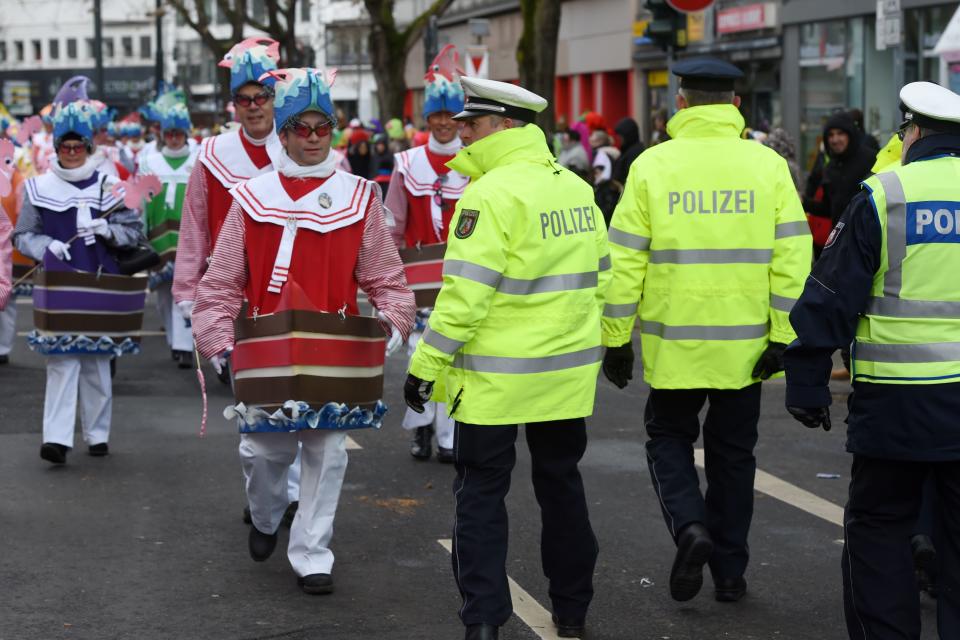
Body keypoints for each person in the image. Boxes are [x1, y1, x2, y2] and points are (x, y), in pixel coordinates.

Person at [192, 66, 414, 595]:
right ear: (284, 132)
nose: (313, 138)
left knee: (327, 450)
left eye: (322, 128)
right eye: (302, 128)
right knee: (262, 454)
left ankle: (313, 552)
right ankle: (266, 515)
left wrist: (387, 328)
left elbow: (387, 279)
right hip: (264, 349)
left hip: (332, 351)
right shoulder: (251, 197)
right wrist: (220, 344)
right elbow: (220, 284)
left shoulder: (360, 196)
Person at [404, 76, 610, 640]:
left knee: (481, 497)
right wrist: (612, 343)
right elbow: (603, 278)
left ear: (504, 127)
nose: (461, 132)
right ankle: (572, 610)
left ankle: (485, 620)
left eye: (471, 123)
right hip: (564, 375)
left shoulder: (487, 194)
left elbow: (465, 297)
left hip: (494, 380)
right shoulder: (575, 186)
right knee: (562, 486)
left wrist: (424, 367)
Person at [600, 57, 811, 604]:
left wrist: (616, 337)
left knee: (668, 438)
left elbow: (624, 262)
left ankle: (690, 528)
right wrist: (786, 334)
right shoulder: (767, 167)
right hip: (745, 347)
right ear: (736, 106)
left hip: (676, 343)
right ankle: (732, 574)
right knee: (734, 457)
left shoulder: (651, 165)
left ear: (681, 103)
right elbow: (793, 255)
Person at [784, 81, 960, 640]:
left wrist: (808, 380)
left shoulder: (885, 194)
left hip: (897, 405)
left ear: (911, 133)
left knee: (880, 529)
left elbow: (831, 294)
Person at [13, 97, 143, 465]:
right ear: (57, 148)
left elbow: (134, 233)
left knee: (97, 361)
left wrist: (107, 228)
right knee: (61, 361)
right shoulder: (39, 188)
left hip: (101, 281)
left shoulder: (110, 185)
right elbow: (23, 235)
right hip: (58, 284)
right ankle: (56, 439)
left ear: (89, 148)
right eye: (65, 146)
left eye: (78, 146)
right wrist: (46, 245)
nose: (71, 152)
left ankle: (97, 434)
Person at [385, 44, 470, 463]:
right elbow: (392, 224)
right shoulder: (407, 163)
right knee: (420, 357)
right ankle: (421, 429)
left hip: (459, 275)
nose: (441, 123)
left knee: (453, 358)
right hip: (417, 276)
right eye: (435, 115)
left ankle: (449, 435)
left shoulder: (476, 164)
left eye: (448, 115)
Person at [139, 102, 198, 369]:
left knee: (185, 292)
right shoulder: (148, 161)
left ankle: (185, 346)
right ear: (162, 134)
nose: (174, 138)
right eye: (169, 133)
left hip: (188, 236)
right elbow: (140, 201)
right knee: (163, 294)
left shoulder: (199, 159)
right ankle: (175, 340)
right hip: (158, 235)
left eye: (178, 133)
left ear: (186, 133)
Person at [803, 110, 875, 226]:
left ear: (850, 134)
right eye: (830, 135)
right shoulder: (830, 168)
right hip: (839, 239)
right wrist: (804, 202)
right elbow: (829, 209)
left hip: (865, 238)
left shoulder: (870, 159)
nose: (835, 140)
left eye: (840, 133)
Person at [612, 117, 645, 186]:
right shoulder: (626, 150)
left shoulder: (635, 153)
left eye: (620, 136)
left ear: (627, 136)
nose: (618, 139)